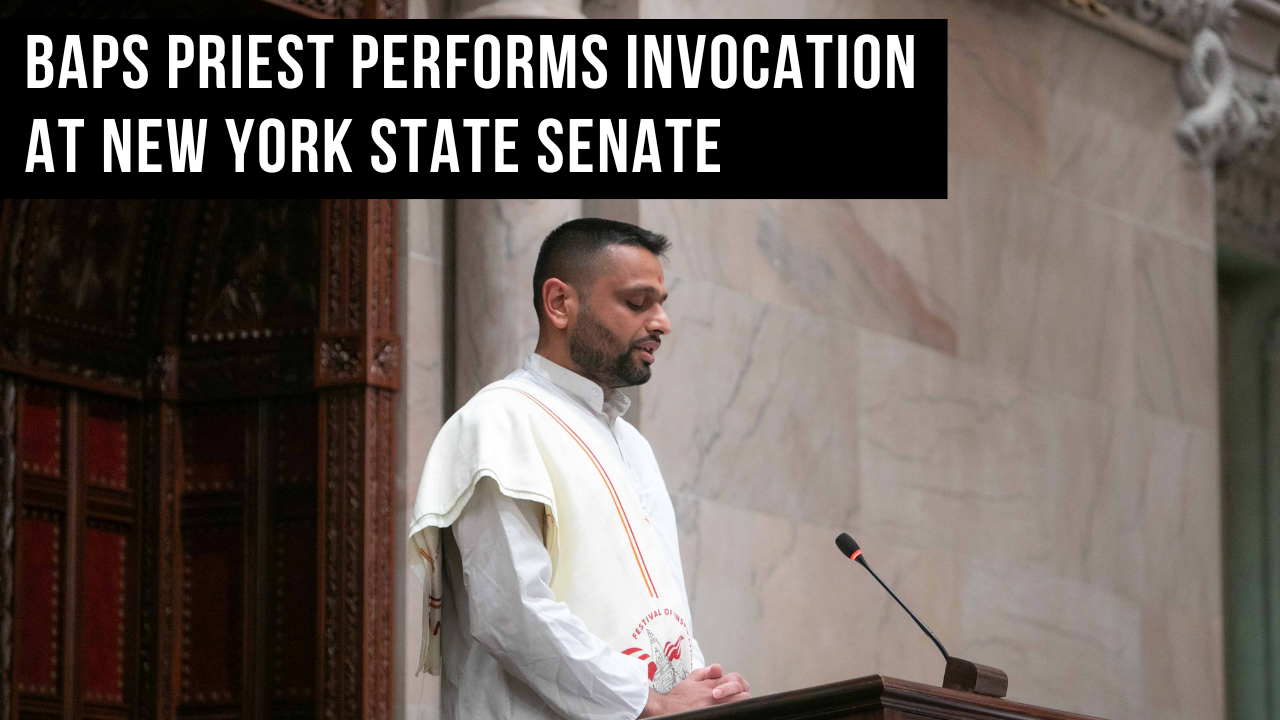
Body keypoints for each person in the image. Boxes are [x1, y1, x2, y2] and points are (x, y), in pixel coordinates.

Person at [408, 218, 751, 719]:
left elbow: (661, 615)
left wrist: (704, 696)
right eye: (638, 303)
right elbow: (512, 610)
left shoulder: (632, 446)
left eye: (661, 304)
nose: (661, 322)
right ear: (559, 303)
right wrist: (646, 701)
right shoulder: (501, 419)